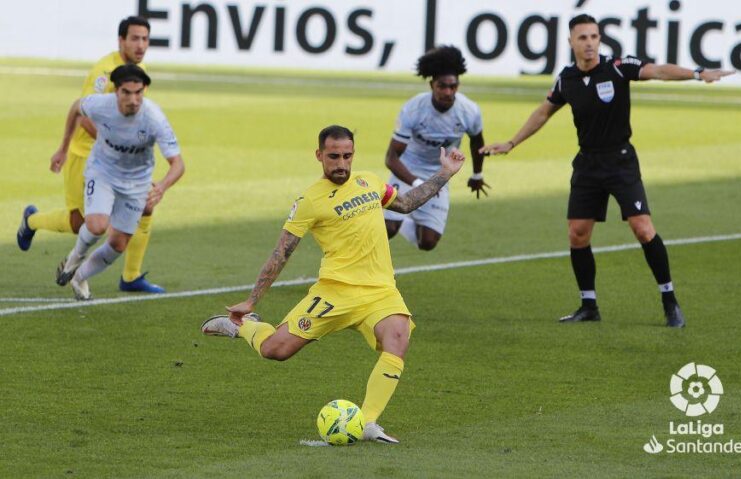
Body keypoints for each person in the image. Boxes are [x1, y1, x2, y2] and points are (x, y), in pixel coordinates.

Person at [201, 125, 465, 443]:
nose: (341, 164)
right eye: (334, 156)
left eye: (347, 156)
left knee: (399, 338)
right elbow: (281, 251)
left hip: (380, 291)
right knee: (276, 350)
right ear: (319, 156)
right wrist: (251, 301)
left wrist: (445, 172)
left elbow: (406, 204)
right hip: (334, 292)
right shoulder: (310, 200)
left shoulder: (369, 182)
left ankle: (366, 422)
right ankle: (242, 328)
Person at [481, 14, 733, 328]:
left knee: (642, 228)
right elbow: (544, 111)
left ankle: (670, 301)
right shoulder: (566, 78)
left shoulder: (616, 67)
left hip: (620, 161)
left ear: (600, 39)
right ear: (571, 42)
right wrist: (511, 142)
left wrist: (698, 73)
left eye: (594, 37)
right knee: (578, 233)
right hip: (587, 164)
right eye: (583, 38)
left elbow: (657, 70)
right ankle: (589, 305)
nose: (589, 43)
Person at [17, 16, 167, 293]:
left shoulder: (139, 70)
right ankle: (31, 221)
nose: (141, 45)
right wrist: (74, 147)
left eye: (145, 39)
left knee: (146, 203)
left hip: (120, 159)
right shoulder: (104, 72)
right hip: (87, 154)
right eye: (134, 38)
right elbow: (84, 114)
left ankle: (131, 276)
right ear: (121, 41)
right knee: (82, 224)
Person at [53, 65, 185, 300]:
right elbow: (76, 108)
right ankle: (74, 259)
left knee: (119, 244)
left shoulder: (154, 118)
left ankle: (80, 276)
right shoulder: (100, 105)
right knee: (96, 225)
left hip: (136, 183)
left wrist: (162, 187)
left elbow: (178, 164)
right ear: (116, 91)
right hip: (102, 171)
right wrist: (63, 148)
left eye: (139, 93)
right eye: (127, 92)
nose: (134, 100)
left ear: (144, 90)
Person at [383, 45, 486, 251]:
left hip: (439, 173)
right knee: (387, 229)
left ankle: (405, 221)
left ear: (458, 85)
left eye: (453, 86)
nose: (448, 92)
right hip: (407, 169)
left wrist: (477, 174)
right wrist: (417, 183)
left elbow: (477, 142)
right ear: (432, 85)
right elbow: (391, 158)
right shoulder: (413, 109)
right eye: (442, 86)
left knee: (428, 243)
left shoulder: (469, 111)